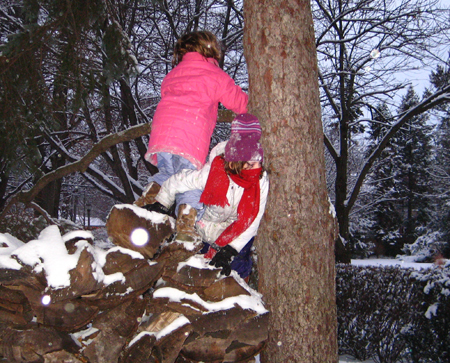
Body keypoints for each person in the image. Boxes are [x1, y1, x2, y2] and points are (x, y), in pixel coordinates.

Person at [135, 30, 248, 237]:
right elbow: (238, 102)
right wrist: (254, 106)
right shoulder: (215, 75)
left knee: (167, 174)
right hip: (189, 135)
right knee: (190, 180)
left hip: (163, 133)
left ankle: (147, 199)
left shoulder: (173, 74)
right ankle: (187, 225)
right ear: (212, 50)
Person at [151, 113, 269, 279]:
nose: (255, 168)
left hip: (237, 229)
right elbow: (181, 179)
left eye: (258, 162)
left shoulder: (260, 179)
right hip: (207, 225)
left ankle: (238, 293)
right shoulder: (215, 173)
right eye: (250, 164)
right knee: (196, 265)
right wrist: (162, 202)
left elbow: (253, 217)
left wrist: (231, 249)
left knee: (237, 265)